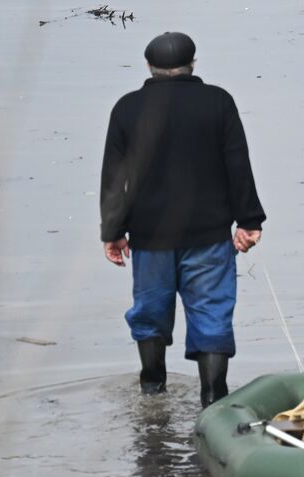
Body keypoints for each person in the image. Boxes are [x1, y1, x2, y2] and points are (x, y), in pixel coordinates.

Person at [100, 32, 266, 407]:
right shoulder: (218, 103)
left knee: (150, 313)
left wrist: (112, 231)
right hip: (210, 238)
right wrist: (249, 220)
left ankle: (152, 392)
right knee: (212, 315)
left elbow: (115, 178)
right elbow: (237, 165)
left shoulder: (127, 109)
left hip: (149, 238)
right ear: (193, 64)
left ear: (149, 67)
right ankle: (213, 400)